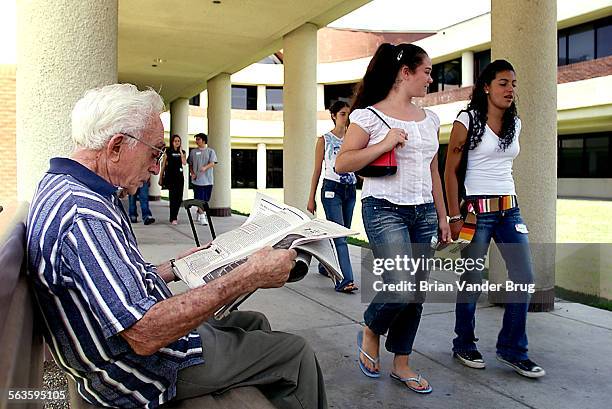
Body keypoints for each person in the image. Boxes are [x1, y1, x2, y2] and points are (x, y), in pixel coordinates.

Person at [26, 83, 328, 409]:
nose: (157, 167)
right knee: (296, 355)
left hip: (128, 354)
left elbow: (106, 283)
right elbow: (144, 332)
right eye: (154, 152)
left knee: (252, 322)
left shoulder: (67, 185)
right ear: (115, 147)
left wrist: (174, 267)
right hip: (138, 373)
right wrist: (248, 276)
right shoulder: (84, 217)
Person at [335, 43, 451, 394]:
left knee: (415, 291)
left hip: (424, 213)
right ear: (405, 73)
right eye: (427, 71)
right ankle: (371, 328)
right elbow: (343, 163)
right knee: (402, 284)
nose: (431, 78)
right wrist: (384, 143)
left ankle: (401, 362)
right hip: (384, 207)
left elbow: (434, 172)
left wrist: (444, 217)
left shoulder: (431, 119)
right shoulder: (368, 116)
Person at [444, 59, 546, 378]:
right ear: (486, 86)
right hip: (475, 211)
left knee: (524, 277)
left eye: (513, 84)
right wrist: (454, 215)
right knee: (473, 279)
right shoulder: (468, 119)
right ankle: (464, 342)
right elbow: (449, 170)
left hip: (509, 209)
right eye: (503, 83)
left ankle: (512, 349)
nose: (510, 89)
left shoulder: (515, 123)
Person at [307, 100, 358, 293]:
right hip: (331, 191)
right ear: (334, 116)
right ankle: (345, 279)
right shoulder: (324, 140)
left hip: (350, 190)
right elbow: (317, 170)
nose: (346, 117)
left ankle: (323, 265)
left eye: (348, 114)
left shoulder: (354, 140)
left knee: (340, 233)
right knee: (340, 237)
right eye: (343, 114)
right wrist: (311, 197)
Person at [188, 132, 217, 225]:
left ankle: (199, 212)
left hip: (208, 180)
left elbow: (213, 163)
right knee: (199, 199)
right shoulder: (193, 152)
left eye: (198, 139)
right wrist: (192, 173)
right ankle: (202, 216)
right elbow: (190, 164)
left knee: (206, 200)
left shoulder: (210, 151)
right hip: (197, 180)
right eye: (196, 139)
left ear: (203, 140)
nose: (196, 141)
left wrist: (205, 167)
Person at [159, 134, 187, 224]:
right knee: (173, 198)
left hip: (179, 178)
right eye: (175, 141)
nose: (177, 143)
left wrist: (181, 153)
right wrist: (160, 177)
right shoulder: (168, 151)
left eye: (178, 141)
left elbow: (184, 163)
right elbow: (163, 165)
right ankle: (173, 217)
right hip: (170, 177)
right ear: (172, 142)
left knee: (179, 198)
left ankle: (175, 215)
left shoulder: (182, 152)